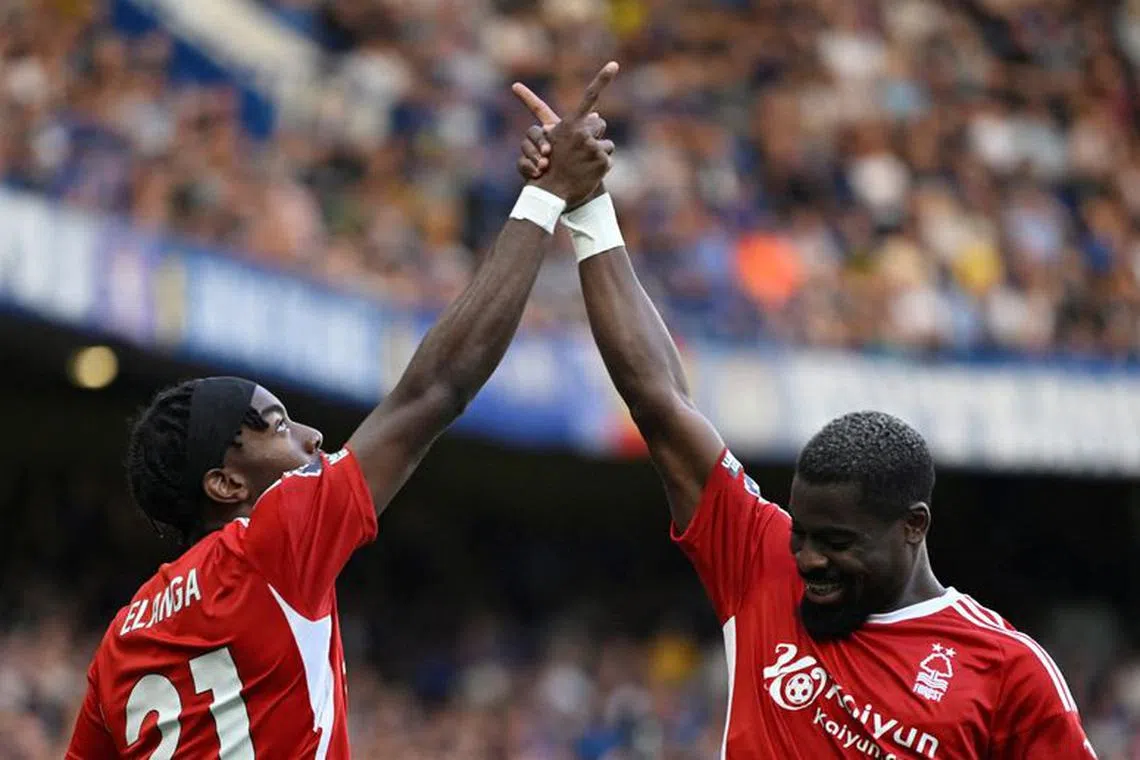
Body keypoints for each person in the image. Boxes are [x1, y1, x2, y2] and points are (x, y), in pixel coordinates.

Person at [514, 87, 1096, 759]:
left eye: (836, 542)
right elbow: (660, 401)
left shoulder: (1009, 674)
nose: (809, 557)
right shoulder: (765, 561)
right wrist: (586, 206)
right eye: (806, 534)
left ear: (914, 526)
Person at [64, 63, 619, 759]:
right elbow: (435, 390)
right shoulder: (269, 542)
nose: (312, 434)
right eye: (274, 424)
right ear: (226, 484)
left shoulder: (119, 644)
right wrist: (544, 200)